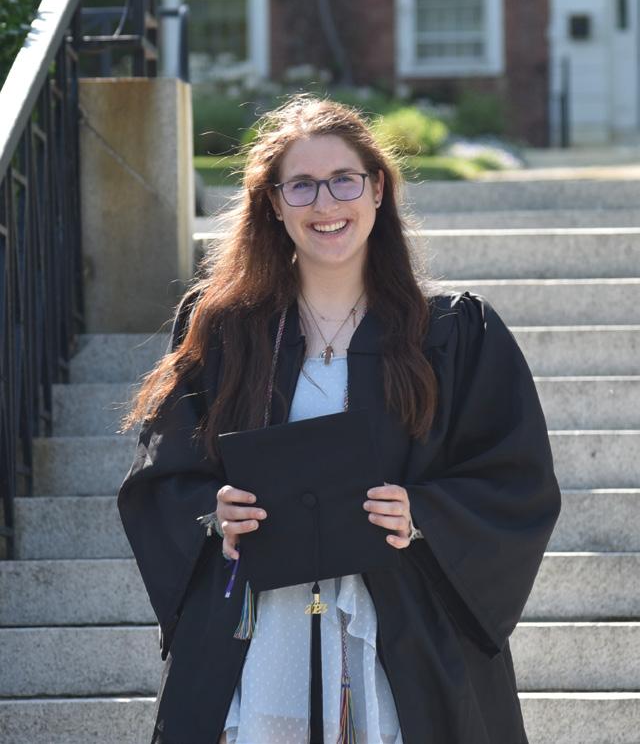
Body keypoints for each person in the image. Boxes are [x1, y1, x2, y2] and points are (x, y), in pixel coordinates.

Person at [118, 93, 561, 744]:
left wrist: (422, 513)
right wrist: (214, 512)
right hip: (262, 629)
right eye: (300, 185)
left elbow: (515, 478)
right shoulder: (225, 330)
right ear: (273, 203)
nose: (325, 204)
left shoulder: (452, 332)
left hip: (405, 630)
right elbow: (161, 476)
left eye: (343, 180)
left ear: (377, 189)